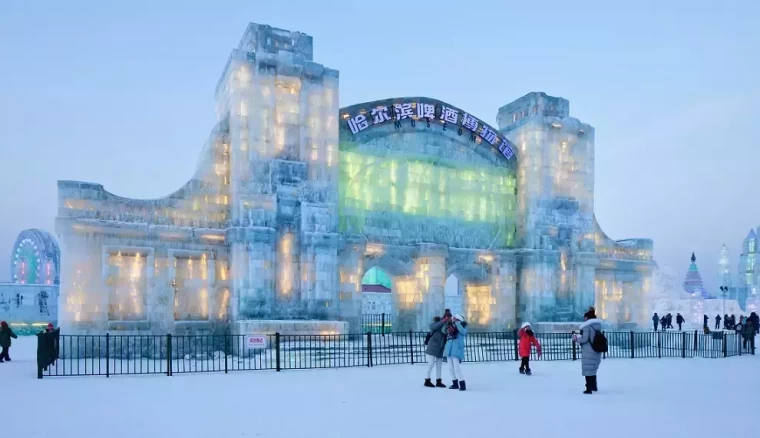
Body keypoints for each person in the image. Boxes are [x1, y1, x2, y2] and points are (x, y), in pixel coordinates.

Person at [574, 310, 602, 394]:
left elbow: (585, 339)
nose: (584, 319)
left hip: (588, 351)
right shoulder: (597, 326)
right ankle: (594, 386)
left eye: (585, 317)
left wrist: (577, 339)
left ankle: (588, 388)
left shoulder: (587, 327)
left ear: (587, 318)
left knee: (587, 370)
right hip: (596, 350)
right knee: (592, 369)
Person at [442, 314, 468, 391]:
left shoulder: (462, 327)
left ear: (459, 320)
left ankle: (462, 384)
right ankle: (455, 384)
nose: (453, 319)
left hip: (456, 349)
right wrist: (448, 323)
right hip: (449, 349)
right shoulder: (450, 327)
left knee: (457, 368)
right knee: (450, 368)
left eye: (455, 319)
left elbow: (463, 332)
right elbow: (443, 331)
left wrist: (457, 323)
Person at [423, 316, 447, 388]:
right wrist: (442, 321)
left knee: (439, 366)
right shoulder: (436, 325)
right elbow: (432, 327)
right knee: (430, 364)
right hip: (433, 347)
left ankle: (438, 381)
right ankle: (427, 380)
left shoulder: (446, 326)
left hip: (440, 348)